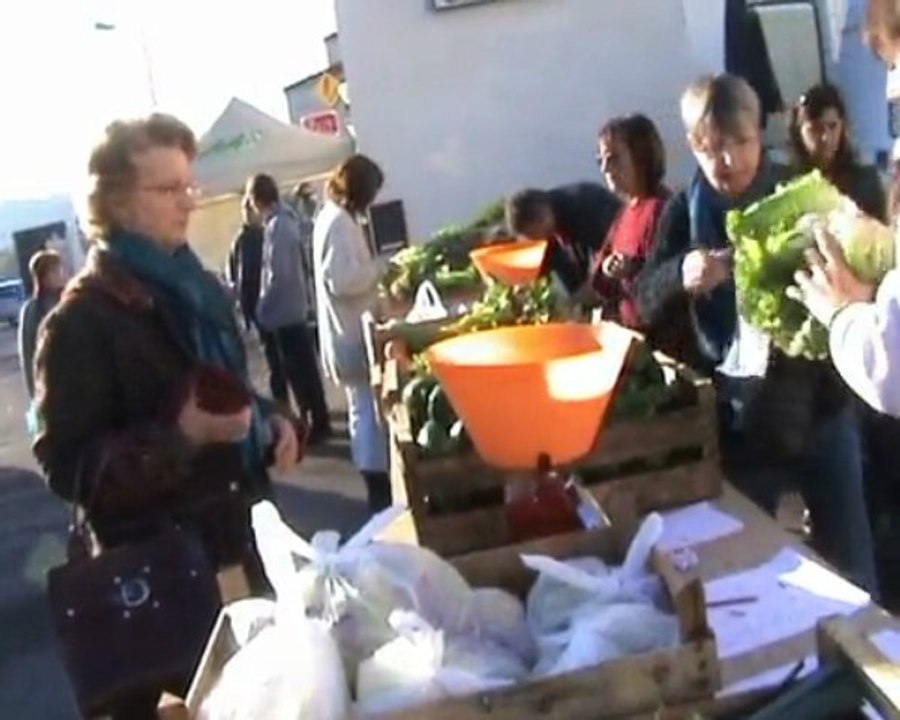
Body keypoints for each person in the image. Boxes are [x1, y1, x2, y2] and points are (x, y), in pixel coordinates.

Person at [32, 114, 302, 716]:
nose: (189, 200)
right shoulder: (80, 321)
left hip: (241, 544)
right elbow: (68, 468)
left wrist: (272, 418)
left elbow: (228, 390)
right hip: (166, 586)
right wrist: (179, 438)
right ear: (118, 203)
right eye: (168, 189)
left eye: (188, 183)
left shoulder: (194, 291)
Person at [635, 74, 876, 592]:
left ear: (760, 133)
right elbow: (644, 295)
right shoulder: (685, 209)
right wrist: (683, 273)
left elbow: (862, 272)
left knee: (851, 566)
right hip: (741, 419)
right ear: (693, 148)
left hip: (820, 405)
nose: (728, 163)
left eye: (740, 144)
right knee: (757, 569)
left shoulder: (803, 191)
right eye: (712, 150)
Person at [313, 155, 391, 512]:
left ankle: (376, 485)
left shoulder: (330, 218)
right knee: (367, 414)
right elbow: (342, 280)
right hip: (350, 335)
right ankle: (378, 490)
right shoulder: (340, 223)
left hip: (345, 332)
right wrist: (380, 268)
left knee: (364, 411)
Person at [248, 173, 332, 444]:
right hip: (295, 306)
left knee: (300, 371)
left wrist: (263, 306)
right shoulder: (289, 220)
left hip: (284, 311)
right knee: (305, 368)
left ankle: (316, 423)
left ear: (256, 200)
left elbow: (277, 273)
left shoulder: (277, 226)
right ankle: (317, 419)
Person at [590, 114, 671, 328]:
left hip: (665, 338)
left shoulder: (664, 210)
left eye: (614, 158)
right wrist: (609, 268)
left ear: (641, 156)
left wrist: (634, 269)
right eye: (601, 160)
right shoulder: (624, 213)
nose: (605, 169)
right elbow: (600, 276)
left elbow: (672, 276)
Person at [788, 83, 887, 220]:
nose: (825, 137)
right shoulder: (787, 187)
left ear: (843, 126)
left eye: (832, 126)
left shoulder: (866, 182)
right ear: (799, 132)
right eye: (816, 129)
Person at [506, 182, 621, 295]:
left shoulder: (583, 205)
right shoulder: (552, 230)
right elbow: (565, 273)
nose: (534, 239)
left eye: (531, 234)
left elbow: (609, 250)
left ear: (540, 219)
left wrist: (588, 291)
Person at [227, 196, 288, 403]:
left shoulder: (258, 236)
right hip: (260, 307)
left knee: (278, 360)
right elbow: (240, 279)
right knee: (274, 361)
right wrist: (247, 312)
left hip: (266, 305)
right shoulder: (247, 240)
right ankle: (282, 403)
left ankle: (285, 402)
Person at [18, 250, 66, 399]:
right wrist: (35, 394)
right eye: (55, 270)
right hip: (50, 384)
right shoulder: (32, 310)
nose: (60, 274)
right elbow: (28, 353)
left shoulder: (69, 300)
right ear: (43, 276)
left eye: (60, 269)